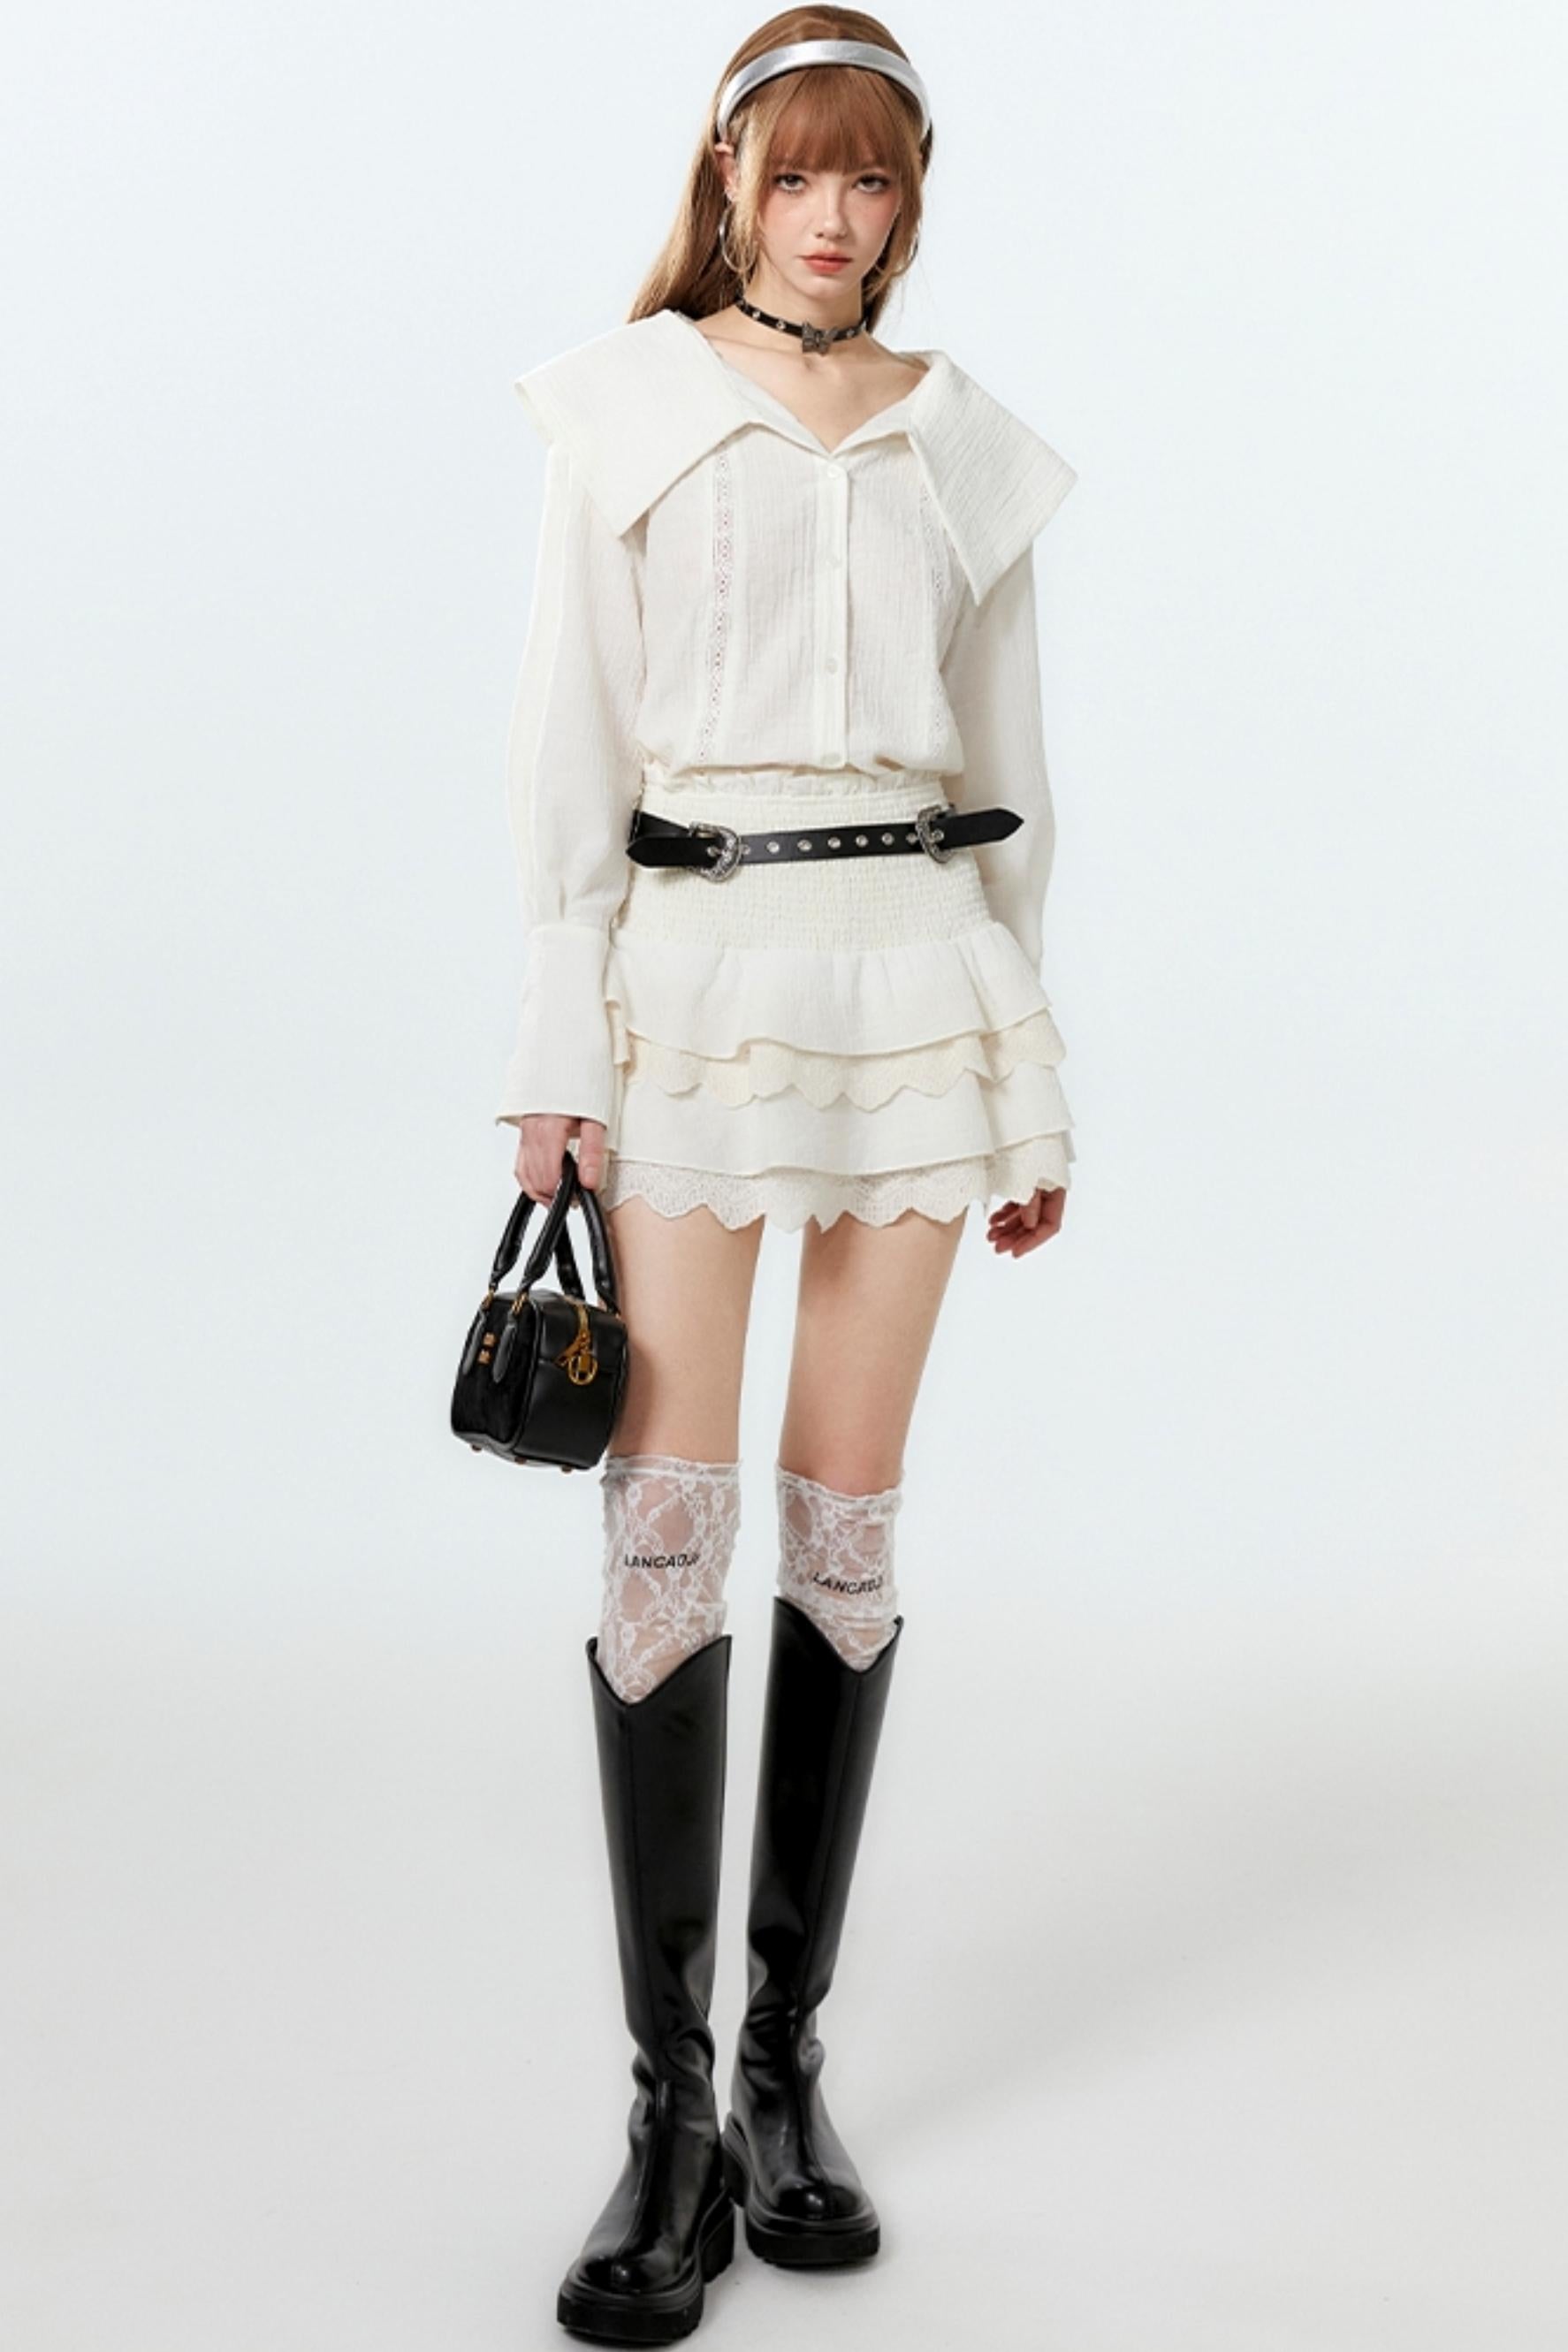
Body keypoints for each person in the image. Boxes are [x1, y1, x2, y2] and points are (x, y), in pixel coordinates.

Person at [493, 12, 1078, 2340]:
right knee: (668, 1521)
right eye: (801, 172)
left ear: (907, 202)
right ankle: (665, 2115)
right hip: (696, 979)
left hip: (920, 987)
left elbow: (1016, 775)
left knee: (846, 1523)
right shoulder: (625, 409)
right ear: (732, 181)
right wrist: (554, 1066)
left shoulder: (965, 441)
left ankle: (781, 2069)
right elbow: (565, 754)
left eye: (876, 178)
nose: (837, 216)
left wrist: (1027, 1076)